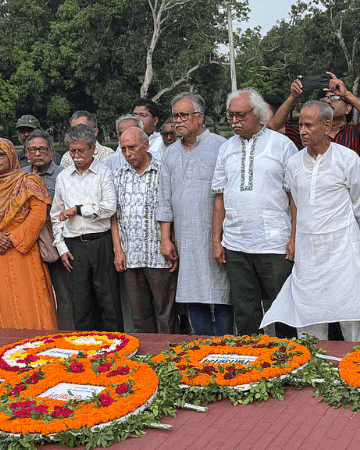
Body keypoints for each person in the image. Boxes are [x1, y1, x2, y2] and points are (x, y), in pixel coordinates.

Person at [261, 101, 360, 341]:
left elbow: (358, 205)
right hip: (309, 255)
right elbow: (296, 202)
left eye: (308, 125)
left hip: (344, 251)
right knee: (309, 318)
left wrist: (342, 233)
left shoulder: (348, 159)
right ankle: (314, 374)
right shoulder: (294, 163)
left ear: (326, 127)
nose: (302, 130)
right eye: (300, 124)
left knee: (352, 315)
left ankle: (357, 370)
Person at [211, 88, 297, 338]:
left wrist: (294, 237)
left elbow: (294, 197)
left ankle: (290, 358)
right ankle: (254, 360)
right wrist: (217, 241)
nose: (234, 121)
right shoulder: (226, 148)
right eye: (231, 116)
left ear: (258, 114)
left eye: (240, 115)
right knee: (245, 311)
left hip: (275, 244)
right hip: (236, 245)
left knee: (282, 307)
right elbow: (219, 200)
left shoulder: (282, 145)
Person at [157, 92, 232, 336]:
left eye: (184, 115)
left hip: (215, 236)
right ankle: (201, 351)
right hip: (186, 239)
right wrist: (165, 239)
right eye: (175, 116)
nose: (177, 121)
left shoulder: (221, 147)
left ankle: (225, 349)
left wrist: (218, 238)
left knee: (223, 294)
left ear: (199, 117)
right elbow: (164, 200)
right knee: (192, 293)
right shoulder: (170, 153)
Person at [0, 138, 57, 330]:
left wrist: (12, 239)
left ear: (11, 155)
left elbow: (38, 214)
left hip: (24, 252)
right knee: (3, 303)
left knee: (31, 299)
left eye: (0, 154)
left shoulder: (28, 181)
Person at [51, 124, 122, 331]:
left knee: (108, 302)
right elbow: (56, 215)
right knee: (80, 305)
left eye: (80, 150)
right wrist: (61, 247)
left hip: (101, 242)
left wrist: (78, 209)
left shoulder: (103, 173)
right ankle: (86, 349)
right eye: (72, 151)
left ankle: (116, 347)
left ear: (92, 149)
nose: (76, 155)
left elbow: (110, 207)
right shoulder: (63, 177)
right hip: (74, 247)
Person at [112, 127, 179, 333]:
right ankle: (146, 360)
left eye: (132, 147)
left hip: (159, 255)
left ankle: (172, 357)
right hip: (131, 256)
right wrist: (118, 250)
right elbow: (113, 216)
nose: (127, 154)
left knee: (166, 314)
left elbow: (172, 209)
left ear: (146, 145)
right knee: (140, 317)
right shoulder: (118, 175)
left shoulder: (163, 170)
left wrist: (169, 242)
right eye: (123, 149)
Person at [25, 129, 75, 330]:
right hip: (28, 243)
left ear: (52, 151)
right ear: (26, 153)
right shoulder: (20, 177)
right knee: (33, 292)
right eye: (33, 150)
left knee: (64, 294)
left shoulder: (64, 175)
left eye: (42, 149)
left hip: (57, 242)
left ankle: (65, 333)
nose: (37, 153)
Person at [267, 72, 360, 161]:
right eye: (325, 99)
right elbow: (275, 127)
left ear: (348, 108)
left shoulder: (358, 131)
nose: (329, 101)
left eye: (335, 98)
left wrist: (346, 94)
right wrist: (293, 96)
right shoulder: (309, 131)